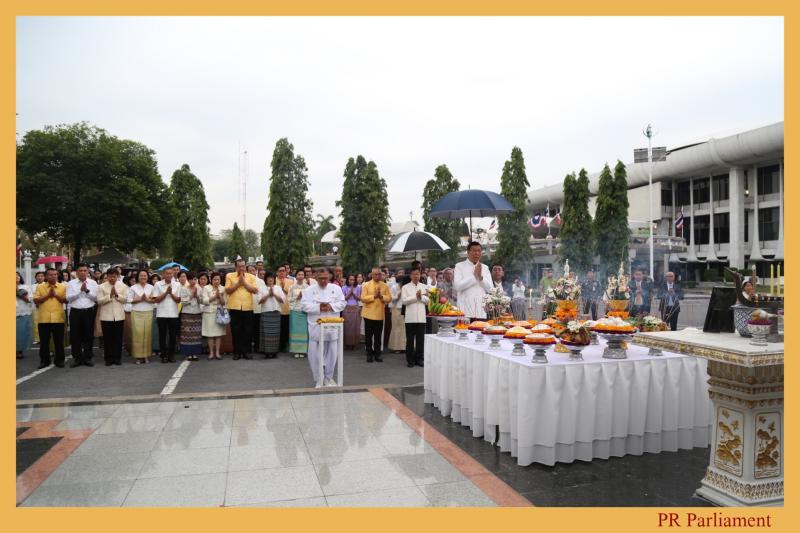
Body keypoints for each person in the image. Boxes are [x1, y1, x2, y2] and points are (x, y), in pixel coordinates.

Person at [301, 267, 346, 387]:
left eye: (325, 278)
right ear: (315, 277)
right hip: (316, 326)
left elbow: (342, 303)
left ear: (329, 277)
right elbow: (304, 306)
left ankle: (328, 378)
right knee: (314, 355)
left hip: (332, 326)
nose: (323, 281)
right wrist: (318, 307)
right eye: (320, 278)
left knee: (332, 353)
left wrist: (330, 306)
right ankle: (318, 379)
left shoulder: (336, 288)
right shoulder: (309, 290)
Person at [225, 258, 259, 360]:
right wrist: (238, 284)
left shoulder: (251, 277)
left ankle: (247, 352)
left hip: (248, 307)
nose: (241, 268)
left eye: (243, 266)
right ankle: (237, 352)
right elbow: (227, 290)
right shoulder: (229, 276)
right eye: (239, 266)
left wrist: (244, 283)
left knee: (248, 331)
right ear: (235, 267)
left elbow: (255, 290)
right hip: (235, 307)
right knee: (236, 331)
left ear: (245, 266)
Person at [33, 268, 67, 369]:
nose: (53, 276)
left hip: (58, 318)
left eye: (55, 274)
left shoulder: (62, 286)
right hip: (44, 318)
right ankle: (44, 361)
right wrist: (48, 295)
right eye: (51, 275)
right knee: (44, 342)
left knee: (59, 342)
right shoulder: (40, 286)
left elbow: (65, 300)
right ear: (46, 276)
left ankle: (59, 360)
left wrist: (55, 295)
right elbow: (36, 300)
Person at [65, 263, 98, 367]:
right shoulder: (71, 283)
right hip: (75, 312)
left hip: (89, 312)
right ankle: (77, 358)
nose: (83, 272)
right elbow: (68, 298)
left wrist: (87, 291)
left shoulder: (93, 283)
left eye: (85, 270)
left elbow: (96, 298)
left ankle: (88, 357)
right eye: (80, 270)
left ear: (88, 272)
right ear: (77, 272)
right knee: (75, 336)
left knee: (88, 335)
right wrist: (80, 292)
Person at [96, 268, 128, 366]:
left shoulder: (123, 286)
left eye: (114, 276)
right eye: (110, 276)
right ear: (107, 276)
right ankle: (108, 358)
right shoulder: (101, 286)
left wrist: (117, 295)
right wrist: (109, 296)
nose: (112, 278)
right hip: (106, 316)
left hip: (119, 316)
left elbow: (125, 300)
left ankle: (117, 358)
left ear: (117, 276)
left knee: (118, 338)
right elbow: (99, 301)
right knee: (107, 338)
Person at [453, 242, 493, 320]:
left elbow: (490, 289)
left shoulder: (485, 267)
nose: (477, 253)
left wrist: (481, 278)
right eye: (474, 251)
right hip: (464, 310)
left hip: (480, 310)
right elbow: (457, 286)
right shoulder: (459, 266)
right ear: (468, 252)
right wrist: (474, 277)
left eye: (479, 251)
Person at [360, 266, 391, 363]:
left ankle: (377, 354)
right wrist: (374, 296)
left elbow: (389, 298)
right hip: (368, 314)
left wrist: (381, 296)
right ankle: (369, 354)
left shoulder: (385, 285)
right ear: (372, 275)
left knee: (378, 336)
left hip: (379, 314)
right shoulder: (366, 285)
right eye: (375, 274)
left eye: (379, 274)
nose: (377, 276)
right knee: (368, 336)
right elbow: (363, 298)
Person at [152, 267, 182, 363]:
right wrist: (166, 293)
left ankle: (171, 355)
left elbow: (178, 300)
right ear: (163, 274)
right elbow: (156, 300)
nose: (169, 275)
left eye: (170, 273)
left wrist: (171, 293)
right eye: (167, 273)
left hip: (173, 314)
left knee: (173, 335)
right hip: (161, 313)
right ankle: (163, 355)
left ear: (173, 274)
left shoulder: (177, 284)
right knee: (162, 335)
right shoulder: (158, 284)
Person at [401, 267, 429, 368]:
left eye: (417, 274)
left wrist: (421, 297)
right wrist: (415, 297)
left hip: (421, 317)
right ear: (410, 276)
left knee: (420, 340)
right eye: (413, 274)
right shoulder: (405, 287)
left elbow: (428, 301)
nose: (416, 276)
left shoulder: (424, 286)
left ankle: (419, 359)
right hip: (410, 317)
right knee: (410, 340)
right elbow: (404, 301)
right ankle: (410, 360)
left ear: (420, 275)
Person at [127, 270, 154, 364]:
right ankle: (138, 357)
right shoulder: (133, 287)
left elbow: (155, 300)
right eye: (141, 275)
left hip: (148, 311)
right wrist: (139, 299)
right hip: (136, 312)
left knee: (147, 334)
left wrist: (147, 299)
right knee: (137, 334)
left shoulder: (151, 287)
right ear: (138, 277)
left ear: (147, 277)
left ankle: (146, 356)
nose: (143, 277)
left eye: (145, 275)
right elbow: (129, 300)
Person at [258, 272, 285, 359]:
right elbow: (259, 301)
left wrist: (274, 294)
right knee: (266, 333)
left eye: (272, 278)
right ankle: (266, 352)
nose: (270, 279)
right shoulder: (261, 288)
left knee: (275, 333)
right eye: (269, 278)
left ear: (274, 279)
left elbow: (282, 300)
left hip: (276, 313)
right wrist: (268, 295)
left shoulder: (278, 288)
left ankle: (274, 352)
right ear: (266, 279)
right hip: (266, 312)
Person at [202, 272, 226, 359]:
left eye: (218, 279)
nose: (216, 281)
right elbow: (205, 301)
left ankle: (217, 352)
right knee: (210, 334)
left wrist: (219, 296)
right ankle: (211, 353)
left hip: (219, 313)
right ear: (211, 280)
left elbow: (224, 302)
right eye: (214, 279)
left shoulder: (223, 288)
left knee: (218, 334)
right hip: (209, 313)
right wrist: (215, 296)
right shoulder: (206, 288)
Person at [179, 272, 203, 361]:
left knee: (196, 334)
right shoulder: (184, 289)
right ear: (188, 280)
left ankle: (195, 353)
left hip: (197, 313)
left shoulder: (199, 288)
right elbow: (183, 302)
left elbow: (202, 301)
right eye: (192, 279)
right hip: (187, 314)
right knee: (187, 334)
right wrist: (192, 296)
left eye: (195, 279)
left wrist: (197, 296)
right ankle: (188, 353)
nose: (194, 281)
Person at [288, 269, 310, 358]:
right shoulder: (292, 287)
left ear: (304, 276)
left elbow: (310, 299)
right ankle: (295, 351)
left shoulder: (307, 287)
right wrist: (297, 297)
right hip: (295, 311)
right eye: (299, 274)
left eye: (302, 274)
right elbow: (288, 299)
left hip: (304, 311)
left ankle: (303, 350)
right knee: (295, 330)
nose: (300, 276)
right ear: (296, 276)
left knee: (304, 331)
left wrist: (303, 297)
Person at [387, 269, 406, 353]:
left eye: (403, 273)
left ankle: (403, 347)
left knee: (403, 328)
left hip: (404, 309)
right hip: (396, 309)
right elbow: (390, 298)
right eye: (400, 273)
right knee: (396, 327)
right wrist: (397, 297)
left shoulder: (406, 287)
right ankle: (395, 347)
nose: (401, 274)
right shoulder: (394, 287)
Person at [276, 266, 294, 353]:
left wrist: (283, 288)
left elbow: (291, 294)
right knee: (278, 328)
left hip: (287, 308)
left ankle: (284, 345)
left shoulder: (290, 281)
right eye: (280, 271)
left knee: (285, 328)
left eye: (283, 271)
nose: (282, 272)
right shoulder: (274, 280)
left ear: (286, 272)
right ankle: (277, 345)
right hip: (277, 308)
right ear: (277, 272)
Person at [16, 272, 34, 359]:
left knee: (21, 333)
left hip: (23, 312)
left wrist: (18, 292)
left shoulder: (25, 287)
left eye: (17, 275)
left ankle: (19, 351)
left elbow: (29, 300)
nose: (16, 277)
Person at [341, 275, 361, 349]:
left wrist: (354, 294)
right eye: (350, 279)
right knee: (347, 326)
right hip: (346, 308)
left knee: (355, 326)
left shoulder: (358, 287)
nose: (352, 281)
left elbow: (359, 298)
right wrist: (349, 293)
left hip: (355, 308)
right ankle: (347, 343)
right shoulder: (344, 287)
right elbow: (342, 299)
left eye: (353, 280)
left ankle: (354, 343)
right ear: (347, 280)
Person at [251, 268, 267, 354]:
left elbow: (263, 293)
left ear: (256, 271)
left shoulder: (260, 281)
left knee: (257, 328)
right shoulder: (245, 280)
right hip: (248, 308)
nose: (252, 272)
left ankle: (257, 346)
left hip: (258, 308)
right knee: (249, 329)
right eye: (250, 270)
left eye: (253, 270)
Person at [149, 273, 162, 359]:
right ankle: (154, 348)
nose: (155, 281)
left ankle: (160, 348)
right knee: (153, 331)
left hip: (160, 309)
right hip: (151, 310)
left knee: (160, 330)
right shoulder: (150, 288)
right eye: (154, 279)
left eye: (157, 279)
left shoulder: (160, 288)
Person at [31, 271, 45, 344]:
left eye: (42, 276)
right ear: (35, 277)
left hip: (44, 307)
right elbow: (31, 296)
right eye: (38, 276)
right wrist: (36, 302)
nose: (40, 277)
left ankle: (44, 338)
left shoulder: (46, 285)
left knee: (44, 323)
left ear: (44, 277)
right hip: (35, 306)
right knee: (36, 323)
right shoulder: (32, 286)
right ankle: (37, 339)